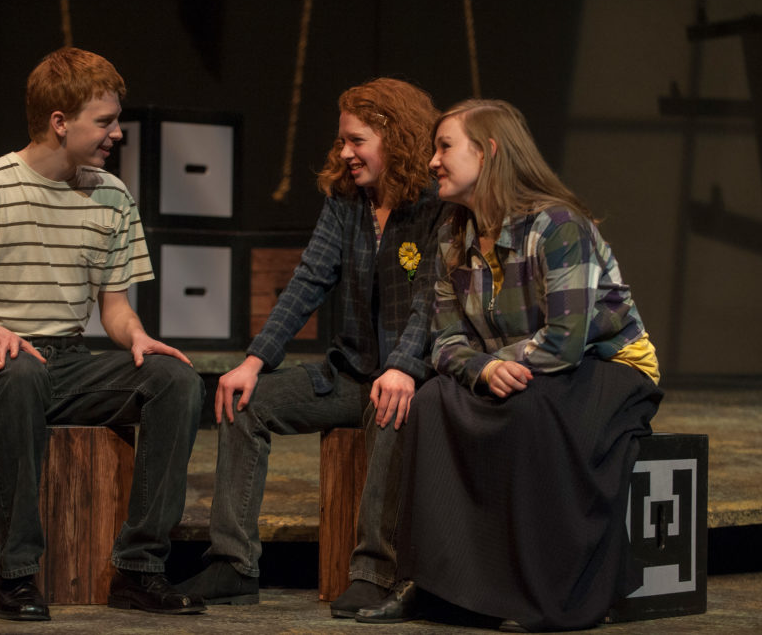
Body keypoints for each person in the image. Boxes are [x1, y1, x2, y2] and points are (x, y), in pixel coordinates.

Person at [0, 47, 206, 622]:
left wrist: (137, 337)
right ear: (59, 122)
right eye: (104, 122)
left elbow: (115, 308)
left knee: (175, 379)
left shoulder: (112, 196)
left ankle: (140, 567)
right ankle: (18, 574)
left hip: (68, 361)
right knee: (21, 371)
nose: (117, 134)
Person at [356, 99, 663, 630]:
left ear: (489, 151)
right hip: (518, 367)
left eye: (444, 146)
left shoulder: (559, 227)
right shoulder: (454, 234)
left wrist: (489, 365)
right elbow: (444, 339)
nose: (433, 161)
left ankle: (541, 593)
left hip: (609, 366)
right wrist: (479, 371)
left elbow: (566, 343)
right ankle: (434, 585)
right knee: (431, 402)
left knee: (526, 406)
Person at [178, 77, 452, 617]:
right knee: (245, 402)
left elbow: (432, 300)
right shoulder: (347, 203)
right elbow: (307, 281)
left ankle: (374, 571)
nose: (345, 153)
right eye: (342, 141)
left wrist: (402, 367)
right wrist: (254, 362)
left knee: (390, 406)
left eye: (357, 141)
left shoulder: (434, 207)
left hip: (406, 376)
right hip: (347, 373)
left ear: (395, 137)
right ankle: (233, 563)